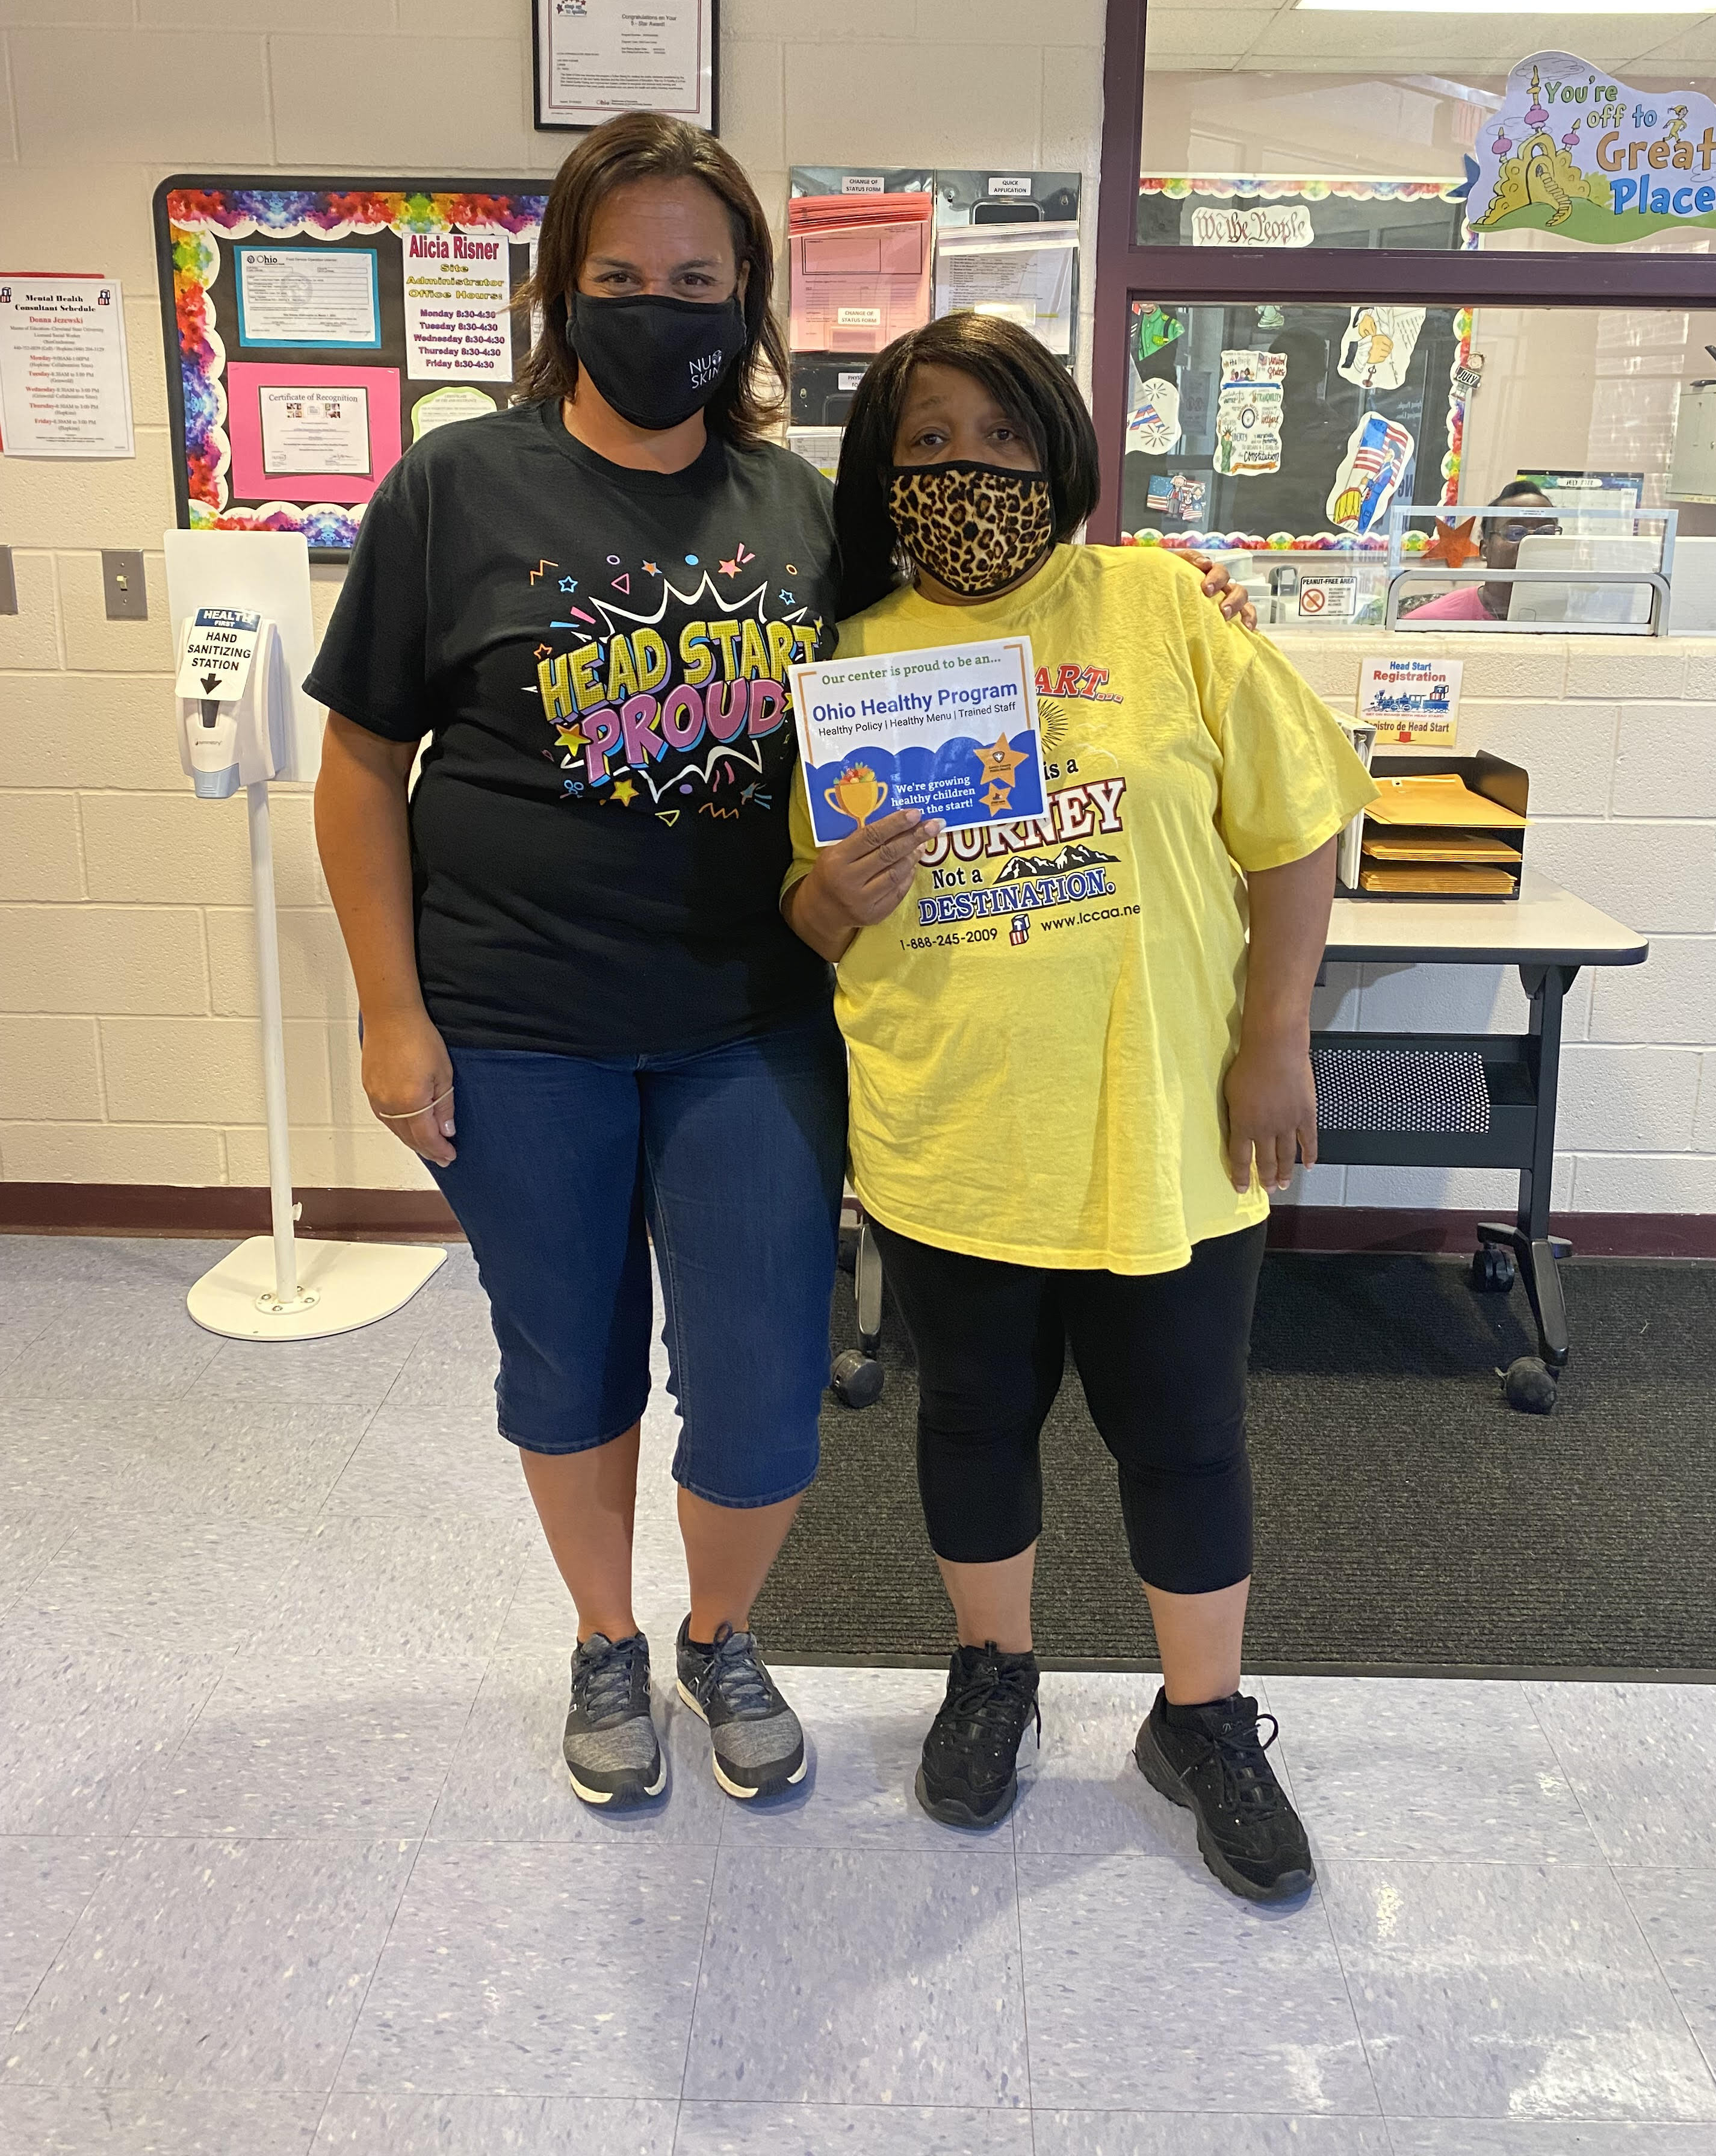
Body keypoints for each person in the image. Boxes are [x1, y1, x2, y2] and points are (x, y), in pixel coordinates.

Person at [306, 116, 1256, 1818]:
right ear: (560, 291)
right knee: (566, 1359)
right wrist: (391, 1010)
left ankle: (722, 1629)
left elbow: (977, 612)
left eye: (696, 280)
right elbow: (364, 764)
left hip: (758, 1020)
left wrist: (1169, 592)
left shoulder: (804, 508)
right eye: (621, 281)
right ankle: (607, 1634)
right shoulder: (456, 486)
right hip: (520, 1026)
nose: (658, 310)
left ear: (746, 303)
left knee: (757, 1389)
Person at [782, 312, 1377, 1902]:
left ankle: (1204, 1719)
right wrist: (826, 890)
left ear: (1057, 446)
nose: (966, 471)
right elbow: (812, 911)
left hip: (1169, 1134)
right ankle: (997, 1675)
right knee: (976, 1423)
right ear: (882, 472)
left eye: (999, 437)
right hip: (953, 1130)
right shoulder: (856, 656)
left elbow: (1296, 825)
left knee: (1183, 1438)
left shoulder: (1163, 605)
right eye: (927, 446)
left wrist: (1279, 1037)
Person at [1404, 478, 1558, 620]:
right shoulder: (1432, 620)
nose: (1529, 542)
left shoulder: (1570, 617)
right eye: (1515, 532)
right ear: (1485, 549)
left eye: (1545, 532)